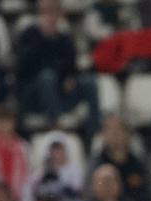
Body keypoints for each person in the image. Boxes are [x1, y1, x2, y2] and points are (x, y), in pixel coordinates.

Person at [15, 0, 100, 132]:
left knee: (89, 81)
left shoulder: (65, 39)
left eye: (53, 11)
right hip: (34, 95)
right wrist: (43, 37)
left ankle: (95, 131)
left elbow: (71, 67)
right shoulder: (29, 35)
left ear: (60, 15)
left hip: (60, 93)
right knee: (47, 76)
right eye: (45, 12)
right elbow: (23, 69)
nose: (50, 16)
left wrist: (70, 79)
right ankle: (57, 124)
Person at [93, 114, 151, 201]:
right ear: (103, 134)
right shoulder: (96, 164)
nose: (115, 134)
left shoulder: (138, 163)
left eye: (119, 130)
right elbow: (91, 196)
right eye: (110, 130)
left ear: (128, 134)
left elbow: (150, 190)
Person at [23, 133, 84, 201]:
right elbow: (30, 196)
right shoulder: (39, 173)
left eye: (60, 149)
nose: (57, 152)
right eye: (54, 149)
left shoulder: (75, 171)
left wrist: (59, 180)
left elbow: (76, 194)